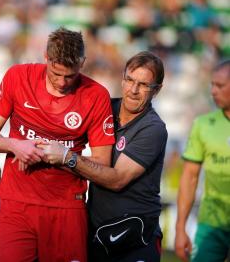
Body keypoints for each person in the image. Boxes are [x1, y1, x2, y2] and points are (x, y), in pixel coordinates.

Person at [0, 27, 115, 261]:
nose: (62, 82)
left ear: (82, 62)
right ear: (46, 58)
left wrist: (65, 157)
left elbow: (103, 164)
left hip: (67, 207)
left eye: (70, 76)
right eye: (56, 73)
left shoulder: (96, 95)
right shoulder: (18, 77)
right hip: (17, 203)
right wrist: (15, 145)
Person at [39, 51, 168, 261]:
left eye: (143, 85)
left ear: (157, 90)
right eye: (130, 80)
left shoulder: (153, 128)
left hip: (137, 235)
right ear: (123, 79)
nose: (133, 90)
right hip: (98, 231)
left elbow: (117, 179)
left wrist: (67, 158)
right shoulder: (105, 107)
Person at [175, 60, 230, 262]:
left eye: (220, 86)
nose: (214, 91)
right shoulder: (203, 124)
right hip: (211, 225)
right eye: (212, 85)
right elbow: (189, 177)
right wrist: (180, 228)